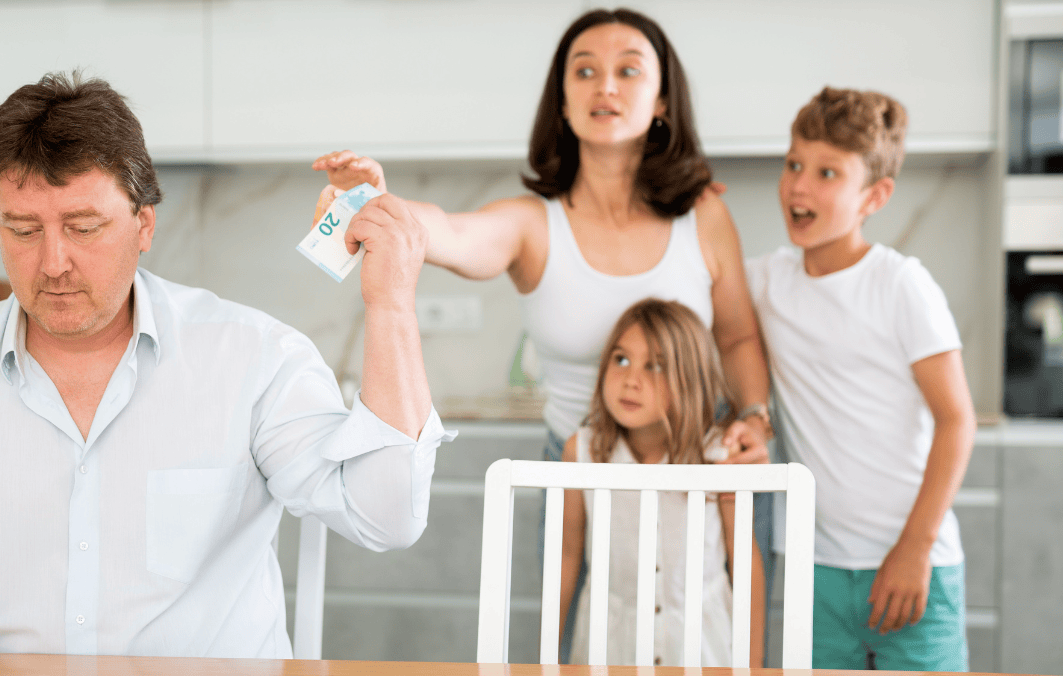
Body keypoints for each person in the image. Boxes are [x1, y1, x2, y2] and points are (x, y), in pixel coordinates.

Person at [0, 72, 451, 676]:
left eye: (83, 227)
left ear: (142, 226)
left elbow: (384, 516)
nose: (51, 262)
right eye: (21, 229)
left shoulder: (253, 359)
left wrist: (389, 302)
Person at [313, 7, 774, 657]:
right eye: (582, 71)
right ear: (561, 102)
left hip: (701, 467)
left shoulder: (704, 214)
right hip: (578, 472)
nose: (603, 86)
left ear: (662, 100)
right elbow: (448, 230)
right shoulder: (532, 223)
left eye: (627, 71)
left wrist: (754, 417)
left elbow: (737, 340)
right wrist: (375, 203)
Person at [747, 87, 976, 670]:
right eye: (794, 164)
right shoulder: (768, 281)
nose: (800, 186)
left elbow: (956, 420)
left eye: (827, 173)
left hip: (912, 563)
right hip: (812, 569)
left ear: (875, 195)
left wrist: (915, 547)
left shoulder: (901, 284)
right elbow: (701, 279)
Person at [557, 299, 765, 666]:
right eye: (620, 359)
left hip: (703, 647)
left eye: (655, 366)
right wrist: (545, 655)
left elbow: (745, 564)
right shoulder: (583, 450)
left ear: (690, 379)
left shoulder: (721, 455)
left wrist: (753, 665)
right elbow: (567, 555)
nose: (631, 380)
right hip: (610, 644)